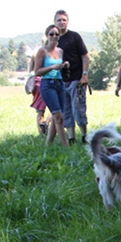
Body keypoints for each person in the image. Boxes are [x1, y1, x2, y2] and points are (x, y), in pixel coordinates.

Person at [54, 10, 90, 145]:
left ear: (67, 21)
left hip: (76, 79)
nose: (61, 22)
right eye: (59, 20)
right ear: (54, 22)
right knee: (66, 110)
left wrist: (84, 75)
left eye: (64, 19)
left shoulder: (74, 37)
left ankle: (85, 136)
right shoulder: (53, 39)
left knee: (78, 108)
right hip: (60, 81)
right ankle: (71, 138)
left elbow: (85, 56)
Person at [34, 24, 70, 146]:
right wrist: (52, 67)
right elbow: (37, 71)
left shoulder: (60, 51)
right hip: (47, 85)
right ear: (47, 35)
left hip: (60, 84)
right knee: (59, 117)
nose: (54, 36)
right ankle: (67, 147)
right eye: (51, 34)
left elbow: (59, 67)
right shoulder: (42, 51)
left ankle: (48, 145)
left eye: (56, 34)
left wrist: (64, 65)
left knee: (57, 117)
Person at [28, 56, 51, 136]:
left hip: (36, 86)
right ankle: (46, 123)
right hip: (44, 83)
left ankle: (42, 133)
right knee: (56, 108)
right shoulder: (44, 57)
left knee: (40, 112)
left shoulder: (32, 72)